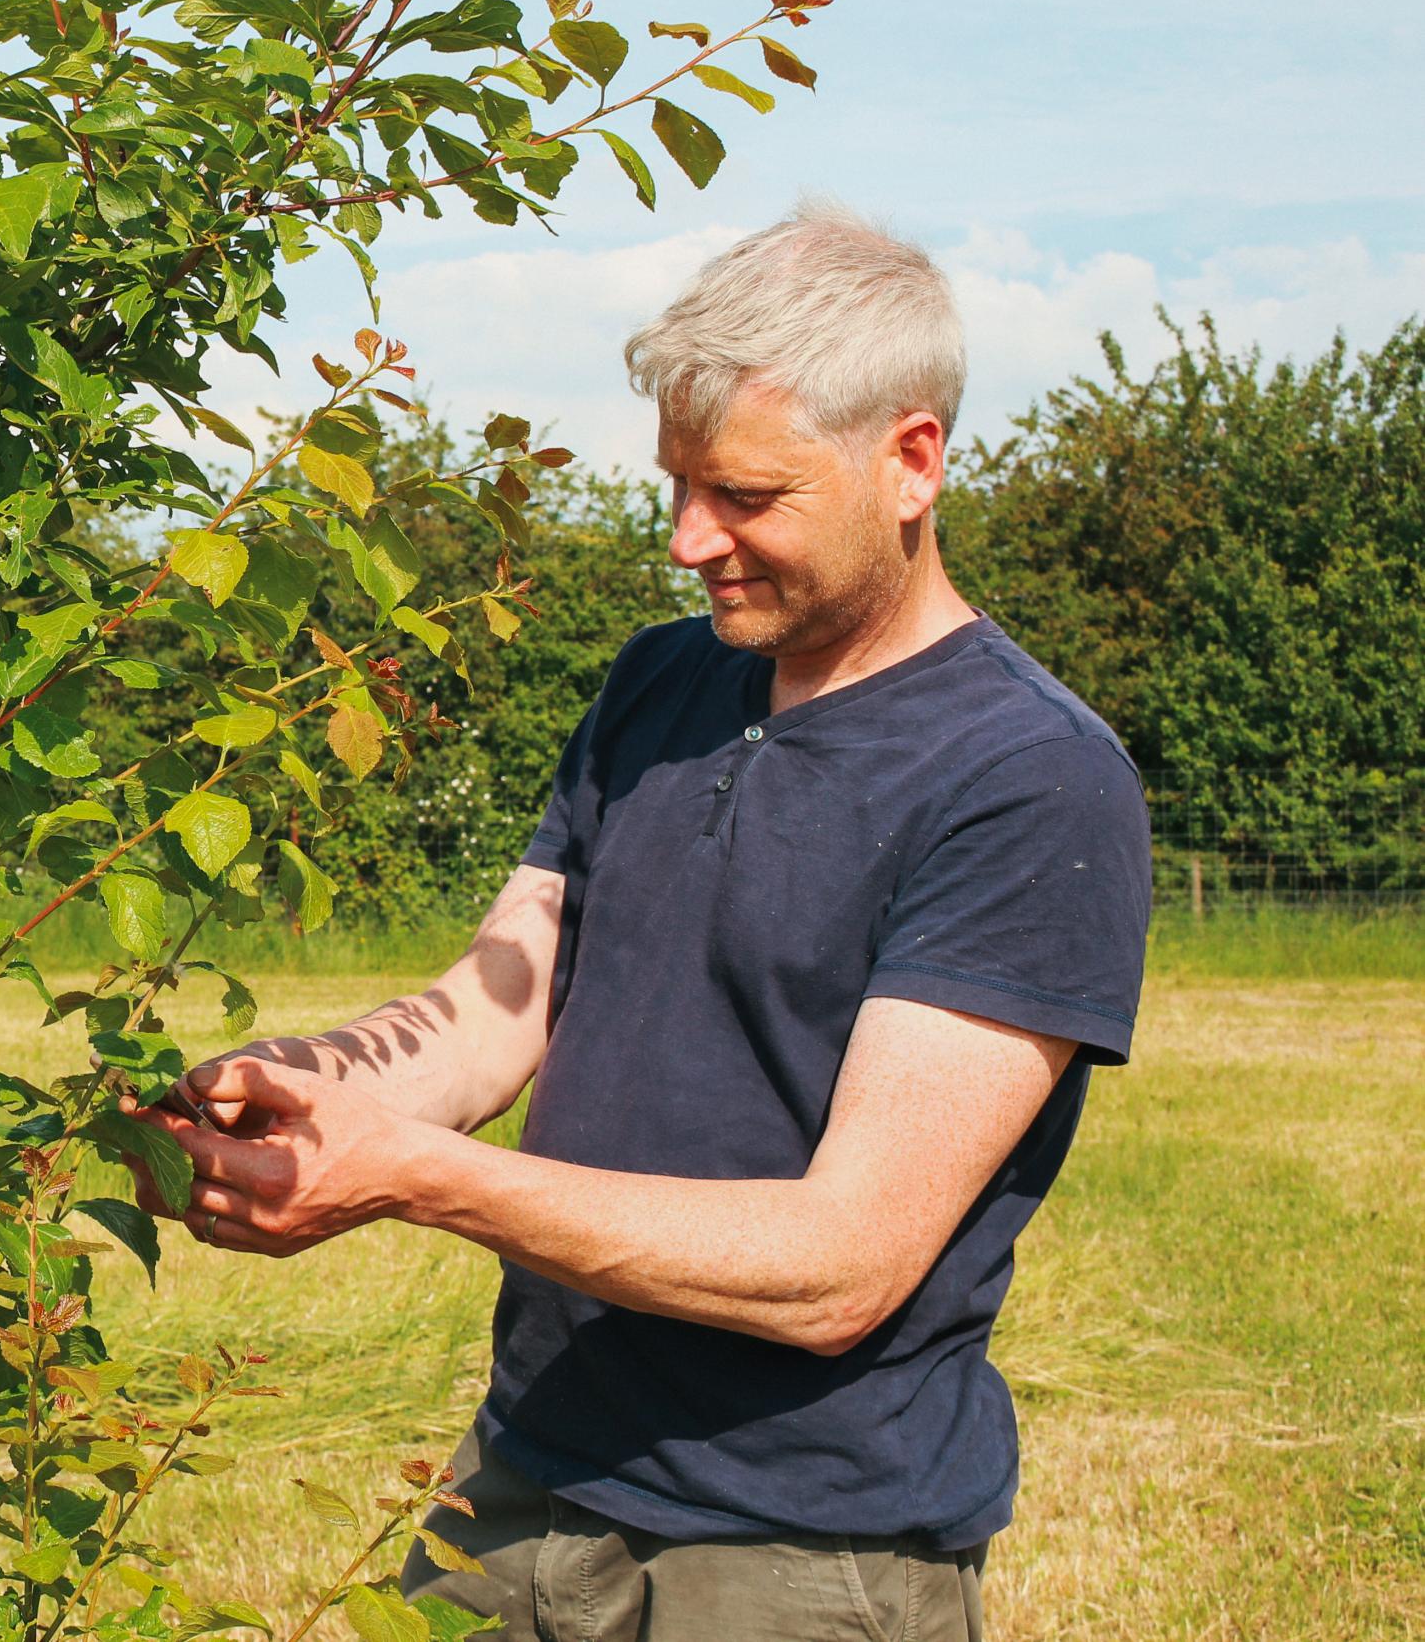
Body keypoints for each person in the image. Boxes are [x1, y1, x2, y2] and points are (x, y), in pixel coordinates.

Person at [125, 203, 1152, 1641]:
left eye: (746, 496)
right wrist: (306, 1091)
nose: (688, 541)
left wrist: (408, 1176)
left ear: (911, 462)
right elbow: (502, 1001)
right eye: (678, 484)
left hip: (796, 1551)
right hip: (526, 1483)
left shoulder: (1029, 780)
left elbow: (840, 1263)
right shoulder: (662, 686)